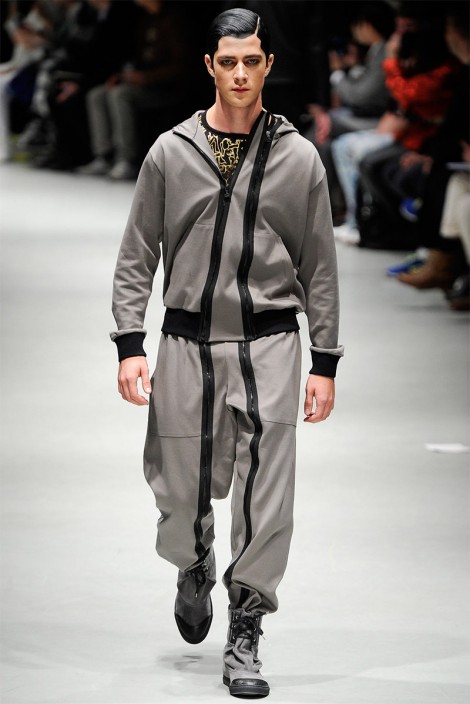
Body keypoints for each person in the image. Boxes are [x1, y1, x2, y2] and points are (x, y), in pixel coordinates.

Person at [110, 8, 343, 699]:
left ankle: (246, 626)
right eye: (229, 61)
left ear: (268, 65)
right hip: (186, 340)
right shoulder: (169, 152)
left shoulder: (298, 157)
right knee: (177, 487)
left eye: (252, 61)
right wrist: (129, 342)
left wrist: (324, 359)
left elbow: (320, 264)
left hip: (271, 339)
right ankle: (193, 559)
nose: (240, 73)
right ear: (210, 65)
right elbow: (137, 253)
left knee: (268, 495)